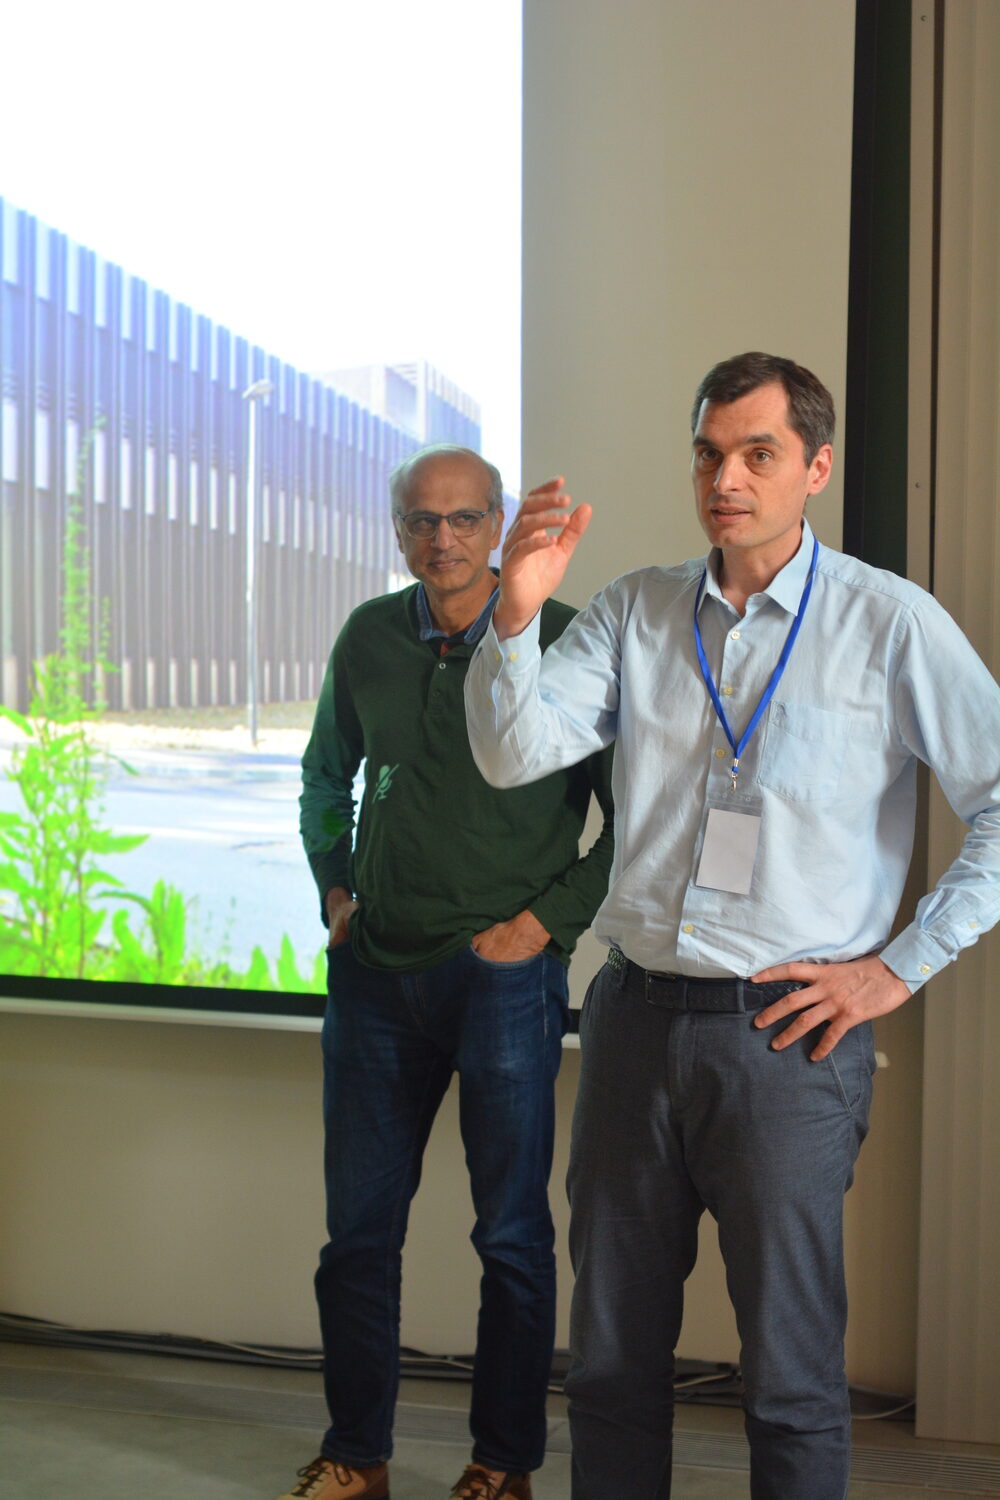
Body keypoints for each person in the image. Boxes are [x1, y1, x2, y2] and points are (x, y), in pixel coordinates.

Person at [463, 353, 1000, 1500]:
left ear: (816, 468)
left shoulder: (887, 622)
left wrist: (895, 971)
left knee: (790, 1378)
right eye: (709, 454)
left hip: (787, 1042)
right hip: (632, 1024)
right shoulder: (635, 610)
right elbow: (512, 755)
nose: (726, 480)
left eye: (758, 454)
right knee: (609, 1365)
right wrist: (511, 616)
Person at [282, 444, 615, 1500]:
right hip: (374, 976)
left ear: (498, 523)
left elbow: (636, 821)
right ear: (397, 531)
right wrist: (336, 890)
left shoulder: (566, 642)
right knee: (356, 1238)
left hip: (502, 985)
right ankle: (355, 1457)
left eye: (465, 518)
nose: (443, 539)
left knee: (511, 1238)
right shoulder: (370, 636)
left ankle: (501, 1468)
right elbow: (324, 775)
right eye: (421, 521)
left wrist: (544, 926)